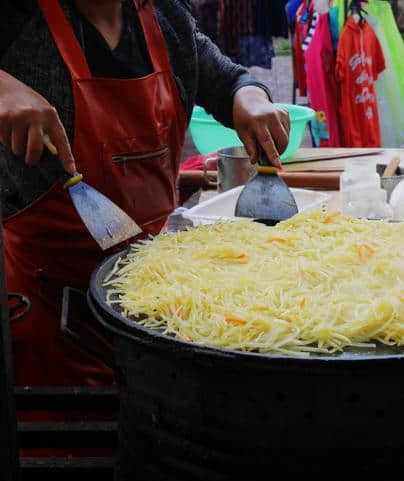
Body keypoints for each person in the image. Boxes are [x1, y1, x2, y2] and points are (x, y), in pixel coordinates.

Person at [0, 0, 290, 387]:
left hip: (156, 306)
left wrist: (250, 98)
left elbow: (225, 78)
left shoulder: (165, 17)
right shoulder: (18, 20)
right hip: (50, 313)